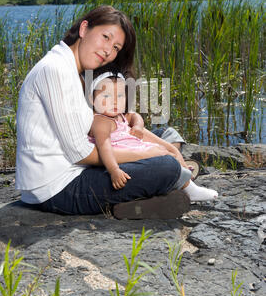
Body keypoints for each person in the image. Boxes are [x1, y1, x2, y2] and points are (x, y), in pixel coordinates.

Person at [14, 5, 211, 220]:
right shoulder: (55, 70)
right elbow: (81, 154)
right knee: (166, 166)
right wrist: (151, 153)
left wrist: (141, 129)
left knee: (162, 134)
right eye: (105, 37)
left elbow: (110, 121)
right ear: (84, 29)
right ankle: (166, 183)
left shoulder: (74, 70)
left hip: (78, 166)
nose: (109, 51)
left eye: (116, 47)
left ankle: (161, 183)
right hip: (58, 188)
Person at [87, 66, 218, 201]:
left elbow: (134, 116)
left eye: (119, 96)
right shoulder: (101, 122)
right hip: (123, 159)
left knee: (168, 142)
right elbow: (104, 147)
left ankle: (180, 170)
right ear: (92, 99)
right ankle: (190, 189)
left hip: (135, 147)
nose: (114, 101)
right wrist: (114, 170)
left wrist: (137, 126)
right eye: (107, 96)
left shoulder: (118, 115)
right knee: (165, 156)